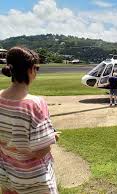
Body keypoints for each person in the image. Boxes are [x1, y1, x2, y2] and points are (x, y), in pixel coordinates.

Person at [0, 47, 58, 194]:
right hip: (33, 179)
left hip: (6, 175)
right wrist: (53, 138)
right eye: (36, 68)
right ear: (31, 69)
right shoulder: (35, 104)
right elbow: (40, 151)